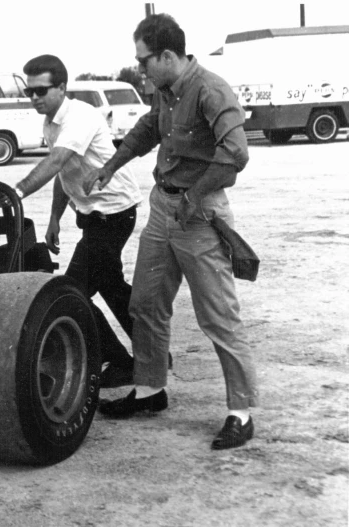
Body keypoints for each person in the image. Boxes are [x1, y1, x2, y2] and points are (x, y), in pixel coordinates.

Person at [89, 14, 259, 450]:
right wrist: (110, 166)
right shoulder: (166, 92)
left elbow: (235, 154)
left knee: (218, 316)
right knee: (145, 303)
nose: (140, 69)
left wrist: (193, 197)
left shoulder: (210, 88)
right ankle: (150, 390)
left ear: (168, 55)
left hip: (199, 216)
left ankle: (240, 412)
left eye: (144, 61)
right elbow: (149, 130)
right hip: (164, 209)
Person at [10, 54, 143, 386]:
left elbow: (56, 162)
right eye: (30, 92)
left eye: (41, 90)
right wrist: (55, 218)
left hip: (114, 214)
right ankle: (152, 351)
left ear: (62, 87)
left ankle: (123, 361)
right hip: (93, 216)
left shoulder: (80, 116)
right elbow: (65, 174)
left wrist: (18, 190)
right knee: (111, 286)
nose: (34, 98)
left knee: (71, 294)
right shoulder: (51, 123)